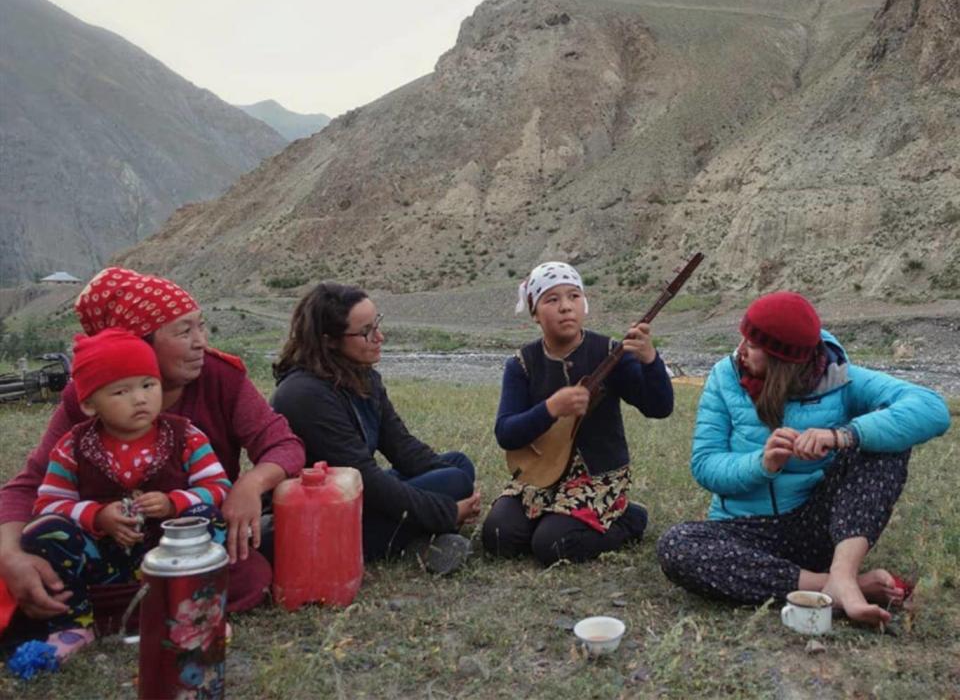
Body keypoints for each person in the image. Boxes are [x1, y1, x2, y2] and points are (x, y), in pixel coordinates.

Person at [0, 267, 304, 628]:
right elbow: (29, 485)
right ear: (139, 344)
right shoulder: (89, 395)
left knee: (248, 574)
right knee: (37, 555)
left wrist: (250, 485)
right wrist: (9, 555)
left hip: (185, 540)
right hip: (105, 544)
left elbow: (283, 445)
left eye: (201, 326)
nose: (201, 343)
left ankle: (99, 610)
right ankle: (168, 602)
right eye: (184, 331)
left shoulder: (220, 378)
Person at [656, 291, 951, 626]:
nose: (741, 349)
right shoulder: (725, 377)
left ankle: (843, 571)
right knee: (677, 546)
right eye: (744, 338)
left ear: (782, 362)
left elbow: (932, 408)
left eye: (753, 345)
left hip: (818, 526)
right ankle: (838, 587)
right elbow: (705, 465)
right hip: (744, 530)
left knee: (886, 441)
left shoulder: (838, 377)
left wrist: (842, 436)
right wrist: (762, 464)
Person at [22, 329, 231, 660]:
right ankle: (73, 624)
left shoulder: (186, 436)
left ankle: (197, 615)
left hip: (169, 552)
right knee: (44, 532)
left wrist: (173, 503)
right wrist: (97, 516)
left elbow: (218, 487)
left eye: (149, 385)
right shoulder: (73, 447)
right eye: (121, 391)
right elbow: (47, 504)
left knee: (208, 520)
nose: (140, 398)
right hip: (103, 557)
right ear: (89, 403)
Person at [271, 282, 482, 574]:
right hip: (329, 515)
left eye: (377, 324)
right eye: (366, 332)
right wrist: (446, 511)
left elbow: (401, 447)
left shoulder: (361, 377)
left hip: (361, 494)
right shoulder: (305, 395)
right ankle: (412, 543)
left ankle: (414, 535)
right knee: (454, 483)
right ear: (329, 340)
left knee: (458, 467)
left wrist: (446, 478)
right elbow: (365, 482)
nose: (379, 337)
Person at [481, 262, 674, 565]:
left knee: (552, 545)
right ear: (535, 312)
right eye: (552, 299)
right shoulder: (521, 364)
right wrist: (550, 409)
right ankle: (554, 517)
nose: (565, 307)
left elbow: (659, 408)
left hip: (596, 476)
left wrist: (650, 360)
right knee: (496, 536)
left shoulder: (611, 353)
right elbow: (506, 433)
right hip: (539, 472)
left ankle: (629, 520)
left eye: (573, 296)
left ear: (584, 304)